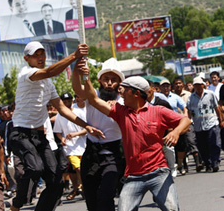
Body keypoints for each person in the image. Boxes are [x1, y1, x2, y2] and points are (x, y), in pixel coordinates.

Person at [79, 64, 191, 211]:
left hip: (159, 173)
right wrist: (85, 76)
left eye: (124, 90)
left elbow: (186, 121)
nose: (121, 92)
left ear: (136, 93)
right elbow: (93, 99)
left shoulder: (158, 111)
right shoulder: (120, 111)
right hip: (133, 177)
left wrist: (175, 132)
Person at [8, 41, 101, 211]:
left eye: (42, 54)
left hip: (39, 137)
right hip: (20, 133)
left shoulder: (48, 84)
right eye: (36, 55)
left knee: (56, 183)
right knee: (35, 168)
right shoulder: (26, 73)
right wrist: (75, 56)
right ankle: (16, 204)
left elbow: (62, 108)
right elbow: (50, 71)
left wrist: (86, 126)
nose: (40, 57)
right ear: (26, 58)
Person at [72, 56, 125, 211]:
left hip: (113, 155)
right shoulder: (91, 95)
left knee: (106, 194)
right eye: (106, 79)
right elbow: (77, 88)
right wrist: (78, 71)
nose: (109, 83)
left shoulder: (123, 102)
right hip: (91, 153)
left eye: (113, 80)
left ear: (119, 83)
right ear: (100, 80)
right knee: (91, 196)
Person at [53, 93, 87, 200]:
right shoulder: (59, 116)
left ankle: (81, 188)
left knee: (83, 169)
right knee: (78, 168)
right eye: (65, 102)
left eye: (69, 101)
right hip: (70, 148)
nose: (67, 104)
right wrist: (62, 139)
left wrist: (75, 134)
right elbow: (58, 131)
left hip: (83, 145)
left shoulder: (79, 113)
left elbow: (87, 129)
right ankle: (82, 187)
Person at [187, 77, 224, 172]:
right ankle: (208, 164)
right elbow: (189, 112)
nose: (198, 87)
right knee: (202, 146)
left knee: (214, 144)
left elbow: (217, 108)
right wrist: (188, 124)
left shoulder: (210, 94)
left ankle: (215, 162)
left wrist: (221, 120)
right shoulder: (191, 98)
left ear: (203, 85)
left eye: (200, 85)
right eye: (196, 85)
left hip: (211, 123)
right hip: (198, 126)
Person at [159, 79, 188, 176]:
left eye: (167, 86)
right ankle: (171, 166)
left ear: (170, 87)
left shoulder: (175, 97)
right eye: (163, 86)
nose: (165, 88)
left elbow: (184, 107)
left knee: (181, 146)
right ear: (160, 88)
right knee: (168, 147)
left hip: (176, 124)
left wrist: (186, 118)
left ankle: (180, 164)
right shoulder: (157, 98)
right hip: (163, 125)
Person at [208, 71, 224, 160]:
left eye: (215, 77)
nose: (213, 79)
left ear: (218, 78)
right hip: (214, 114)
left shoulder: (222, 86)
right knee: (218, 134)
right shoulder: (208, 89)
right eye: (212, 78)